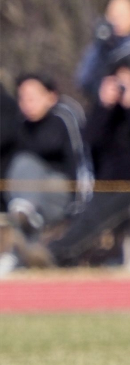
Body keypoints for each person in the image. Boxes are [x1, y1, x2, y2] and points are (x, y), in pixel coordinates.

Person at [39, 41, 130, 267]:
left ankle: (56, 253)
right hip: (108, 187)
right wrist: (104, 107)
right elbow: (89, 140)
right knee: (90, 212)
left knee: (104, 211)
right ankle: (59, 253)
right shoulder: (109, 113)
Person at [2, 75, 87, 255]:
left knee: (24, 163)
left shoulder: (64, 118)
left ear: (51, 96)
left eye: (32, 97)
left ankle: (25, 218)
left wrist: (80, 205)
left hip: (59, 194)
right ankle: (27, 243)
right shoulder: (18, 125)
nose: (27, 103)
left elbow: (79, 162)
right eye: (22, 97)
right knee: (20, 165)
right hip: (26, 198)